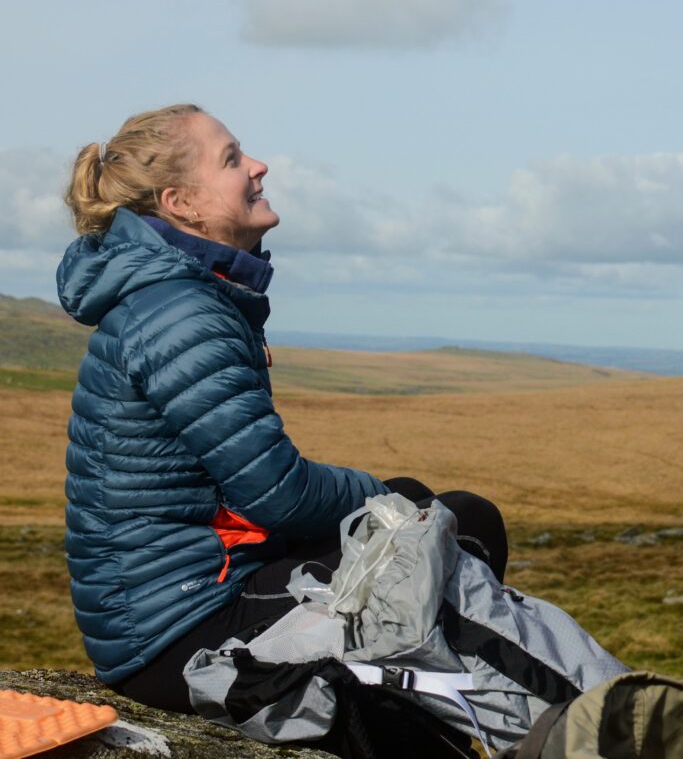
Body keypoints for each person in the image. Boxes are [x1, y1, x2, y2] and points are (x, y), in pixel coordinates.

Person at [58, 103, 508, 715]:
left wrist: (392, 501)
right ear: (180, 203)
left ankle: (434, 711)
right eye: (231, 159)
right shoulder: (181, 314)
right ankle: (469, 719)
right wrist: (384, 500)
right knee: (457, 521)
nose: (259, 166)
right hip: (184, 632)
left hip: (178, 603)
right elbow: (279, 495)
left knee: (416, 511)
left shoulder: (175, 298)